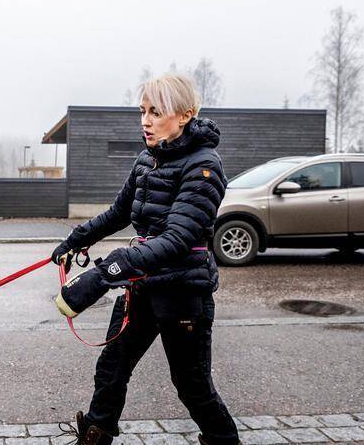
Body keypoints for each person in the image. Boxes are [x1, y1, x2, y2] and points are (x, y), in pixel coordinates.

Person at [50, 73, 239, 445]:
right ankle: (96, 434)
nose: (146, 120)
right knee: (111, 368)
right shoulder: (146, 159)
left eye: (156, 111)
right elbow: (119, 212)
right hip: (143, 287)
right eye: (143, 111)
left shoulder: (204, 166)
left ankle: (224, 440)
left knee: (192, 386)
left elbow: (177, 239)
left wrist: (107, 272)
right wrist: (77, 239)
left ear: (184, 115)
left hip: (183, 293)